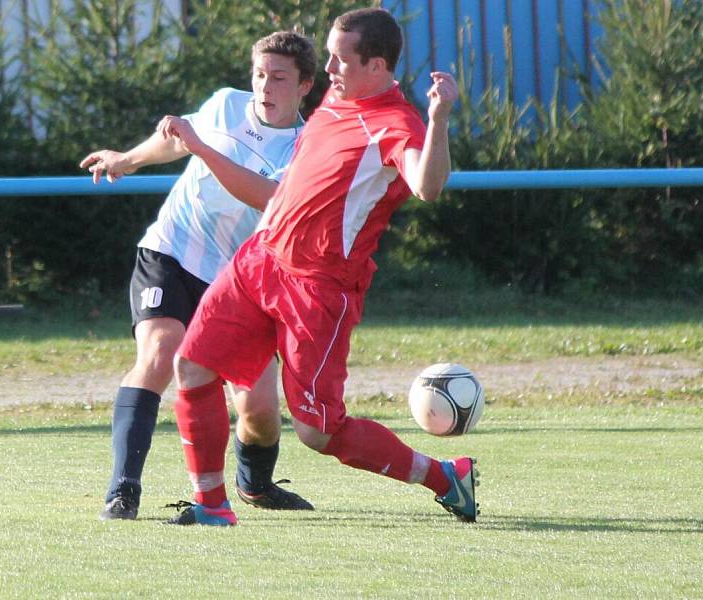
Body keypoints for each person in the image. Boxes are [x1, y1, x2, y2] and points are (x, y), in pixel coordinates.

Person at [166, 7, 475, 528]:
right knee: (191, 367)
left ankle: (446, 476)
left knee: (317, 431)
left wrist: (441, 117)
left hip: (320, 289)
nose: (328, 68)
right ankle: (212, 506)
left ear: (377, 66)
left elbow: (427, 185)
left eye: (340, 58)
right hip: (261, 260)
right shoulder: (336, 98)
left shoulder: (395, 123)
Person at [79, 31, 318, 520]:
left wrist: (200, 149)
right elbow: (175, 141)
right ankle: (122, 489)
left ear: (305, 87)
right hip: (171, 250)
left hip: (239, 279)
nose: (264, 87)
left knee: (261, 412)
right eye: (258, 74)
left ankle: (255, 484)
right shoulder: (227, 104)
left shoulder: (309, 147)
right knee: (160, 352)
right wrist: (127, 160)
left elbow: (266, 197)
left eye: (278, 78)